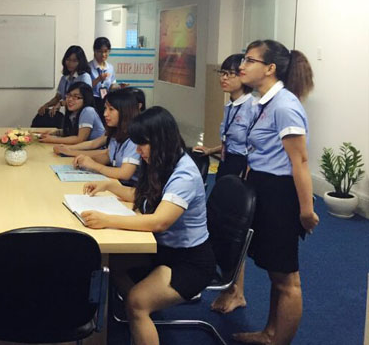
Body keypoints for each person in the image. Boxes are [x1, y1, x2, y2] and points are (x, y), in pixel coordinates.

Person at [80, 106, 215, 345]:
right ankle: (139, 309)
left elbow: (159, 221)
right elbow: (145, 197)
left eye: (142, 144)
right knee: (107, 264)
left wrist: (106, 220)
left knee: (137, 303)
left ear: (160, 140)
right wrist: (110, 186)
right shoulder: (163, 161)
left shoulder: (184, 175)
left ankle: (139, 309)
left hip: (189, 260)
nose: (138, 150)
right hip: (163, 249)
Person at [230, 40, 317, 344]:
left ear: (270, 68)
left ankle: (279, 340)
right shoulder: (263, 102)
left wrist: (306, 211)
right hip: (263, 188)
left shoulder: (285, 106)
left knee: (287, 279)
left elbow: (300, 162)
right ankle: (269, 333)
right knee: (275, 274)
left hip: (280, 194)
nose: (241, 66)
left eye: (249, 60)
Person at [194, 53, 254, 182]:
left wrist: (247, 175)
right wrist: (210, 150)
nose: (224, 78)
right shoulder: (230, 105)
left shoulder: (253, 107)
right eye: (222, 73)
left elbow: (255, 148)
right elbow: (232, 142)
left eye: (230, 74)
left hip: (242, 167)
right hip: (225, 161)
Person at [68, 87, 141, 182]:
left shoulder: (134, 138)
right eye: (105, 108)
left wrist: (93, 165)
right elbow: (107, 157)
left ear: (125, 111)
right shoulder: (116, 134)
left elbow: (124, 174)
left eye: (111, 109)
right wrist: (85, 160)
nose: (105, 114)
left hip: (129, 186)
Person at [32, 45, 92, 128]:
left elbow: (83, 99)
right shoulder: (64, 78)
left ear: (80, 62)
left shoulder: (84, 77)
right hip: (69, 114)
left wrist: (60, 104)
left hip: (82, 115)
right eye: (68, 60)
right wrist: (46, 105)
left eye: (74, 61)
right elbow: (58, 97)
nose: (70, 63)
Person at [38, 81, 105, 144]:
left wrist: (53, 139)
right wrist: (56, 132)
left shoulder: (88, 111)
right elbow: (73, 132)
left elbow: (80, 139)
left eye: (76, 97)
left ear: (86, 99)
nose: (70, 99)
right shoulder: (73, 113)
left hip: (97, 150)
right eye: (69, 95)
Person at [88, 37, 119, 118]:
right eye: (100, 51)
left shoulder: (110, 68)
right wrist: (98, 79)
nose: (103, 55)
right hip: (92, 101)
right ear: (94, 51)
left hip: (106, 101)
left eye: (106, 51)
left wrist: (119, 87)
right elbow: (85, 88)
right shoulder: (88, 67)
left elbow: (111, 86)